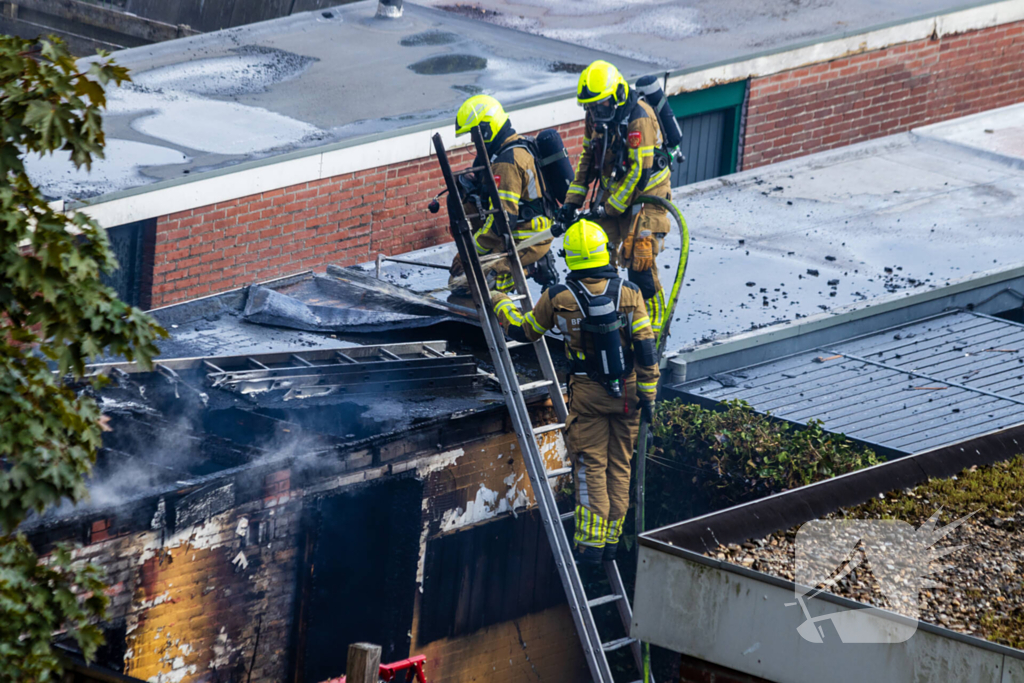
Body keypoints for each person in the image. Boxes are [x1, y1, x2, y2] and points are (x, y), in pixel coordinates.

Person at [490, 220, 659, 564]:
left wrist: (500, 302)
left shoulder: (558, 297)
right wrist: (649, 397)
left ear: (571, 257)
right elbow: (645, 346)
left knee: (590, 464)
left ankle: (590, 546)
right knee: (620, 464)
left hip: (587, 393)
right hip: (629, 395)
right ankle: (610, 541)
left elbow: (524, 331)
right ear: (604, 252)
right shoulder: (630, 293)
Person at [557, 60, 672, 336]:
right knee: (598, 255)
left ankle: (655, 330)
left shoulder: (639, 117)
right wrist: (571, 202)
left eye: (600, 105)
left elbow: (639, 173)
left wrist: (608, 208)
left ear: (618, 95)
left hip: (648, 195)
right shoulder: (595, 117)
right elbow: (588, 160)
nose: (595, 112)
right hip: (616, 191)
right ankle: (612, 320)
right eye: (590, 107)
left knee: (640, 259)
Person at [448, 94, 558, 299]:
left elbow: (501, 221)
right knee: (463, 199)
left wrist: (470, 254)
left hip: (526, 238)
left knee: (465, 286)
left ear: (486, 130)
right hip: (520, 229)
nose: (472, 140)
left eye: (473, 133)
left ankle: (533, 266)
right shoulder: (512, 146)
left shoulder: (506, 163)